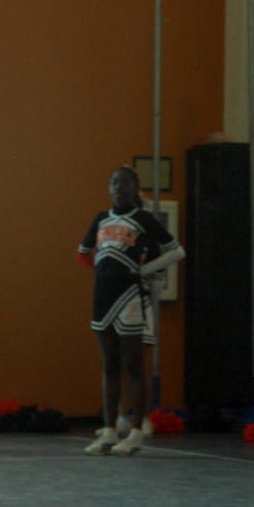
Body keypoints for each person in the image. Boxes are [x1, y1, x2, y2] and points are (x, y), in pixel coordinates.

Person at [77, 165, 185, 456]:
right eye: (113, 183)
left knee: (134, 366)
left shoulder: (144, 219)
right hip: (103, 299)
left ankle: (137, 430)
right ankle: (110, 430)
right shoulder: (100, 219)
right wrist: (104, 274)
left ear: (134, 189)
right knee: (110, 365)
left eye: (124, 183)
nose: (117, 188)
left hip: (130, 299)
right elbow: (83, 254)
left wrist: (143, 270)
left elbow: (177, 251)